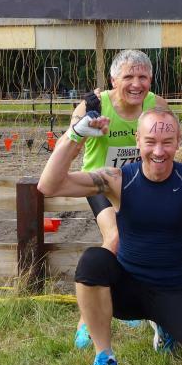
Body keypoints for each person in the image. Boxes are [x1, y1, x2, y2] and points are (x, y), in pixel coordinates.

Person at [38, 107, 182, 365]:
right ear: (137, 140)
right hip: (126, 290)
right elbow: (49, 185)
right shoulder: (118, 178)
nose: (158, 151)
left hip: (173, 292)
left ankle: (166, 325)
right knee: (94, 261)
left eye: (167, 142)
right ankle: (105, 358)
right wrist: (76, 135)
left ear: (178, 142)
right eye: (150, 141)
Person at [68, 49, 168, 349]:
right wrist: (84, 127)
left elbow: (170, 143)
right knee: (115, 238)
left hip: (139, 184)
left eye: (143, 77)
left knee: (153, 240)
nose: (136, 84)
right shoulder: (94, 105)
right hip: (99, 184)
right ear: (113, 80)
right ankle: (86, 321)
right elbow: (68, 145)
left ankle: (136, 305)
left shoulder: (157, 105)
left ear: (151, 79)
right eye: (129, 77)